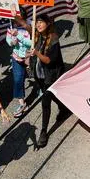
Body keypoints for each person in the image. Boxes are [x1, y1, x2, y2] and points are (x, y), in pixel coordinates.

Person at [30, 13, 68, 149]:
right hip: (40, 76)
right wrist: (15, 16)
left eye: (41, 22)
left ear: (48, 23)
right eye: (37, 22)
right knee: (52, 96)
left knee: (45, 102)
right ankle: (64, 108)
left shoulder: (54, 39)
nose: (38, 25)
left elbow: (48, 61)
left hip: (51, 76)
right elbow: (25, 25)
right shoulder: (37, 36)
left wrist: (36, 53)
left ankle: (43, 132)